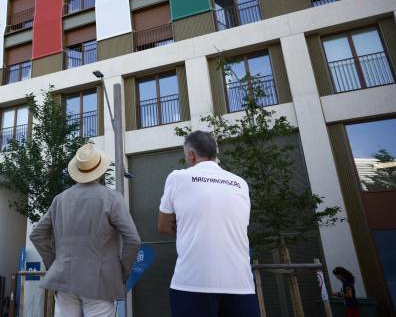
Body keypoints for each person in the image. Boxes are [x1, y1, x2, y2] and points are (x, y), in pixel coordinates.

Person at [30, 143, 141, 317]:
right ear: (101, 170)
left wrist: (55, 264)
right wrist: (122, 272)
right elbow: (133, 240)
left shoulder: (60, 200)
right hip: (100, 281)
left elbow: (37, 235)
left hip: (64, 279)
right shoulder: (112, 199)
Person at [158, 130, 260, 317]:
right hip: (241, 284)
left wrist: (190, 228)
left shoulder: (177, 178)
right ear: (215, 154)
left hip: (192, 282)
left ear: (191, 155)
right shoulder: (240, 183)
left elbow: (163, 226)